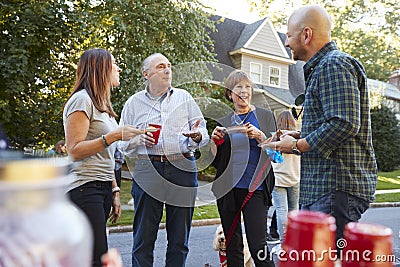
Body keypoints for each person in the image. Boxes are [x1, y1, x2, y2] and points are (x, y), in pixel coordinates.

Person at [261, 5, 377, 240]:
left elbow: (344, 123)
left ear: (306, 35)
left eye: (289, 35)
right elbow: (333, 123)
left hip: (335, 189)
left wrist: (297, 146)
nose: (286, 43)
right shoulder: (325, 68)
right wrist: (296, 136)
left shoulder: (333, 65)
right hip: (326, 191)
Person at [119, 53, 209, 267]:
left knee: (179, 238)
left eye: (169, 65)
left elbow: (202, 131)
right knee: (144, 237)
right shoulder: (133, 103)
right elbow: (120, 144)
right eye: (161, 66)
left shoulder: (184, 97)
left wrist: (197, 136)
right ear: (146, 74)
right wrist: (137, 139)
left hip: (183, 167)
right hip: (147, 168)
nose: (167, 69)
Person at [63, 48, 142, 267]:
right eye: (114, 63)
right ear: (100, 68)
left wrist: (114, 189)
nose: (118, 68)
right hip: (84, 188)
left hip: (102, 187)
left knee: (95, 257)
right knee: (97, 259)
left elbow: (105, 156)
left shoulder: (102, 107)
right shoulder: (81, 101)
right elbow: (75, 149)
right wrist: (114, 136)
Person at [210, 70, 276, 267]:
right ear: (230, 93)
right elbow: (215, 161)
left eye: (248, 87)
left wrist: (260, 137)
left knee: (258, 246)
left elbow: (277, 154)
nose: (244, 91)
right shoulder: (224, 121)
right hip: (228, 190)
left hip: (255, 188)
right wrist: (214, 142)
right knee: (232, 245)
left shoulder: (265, 117)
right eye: (239, 87)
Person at [270, 111, 300, 245]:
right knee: (294, 211)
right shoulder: (298, 138)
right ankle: (294, 241)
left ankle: (284, 243)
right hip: (295, 178)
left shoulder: (274, 137)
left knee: (282, 211)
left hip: (278, 179)